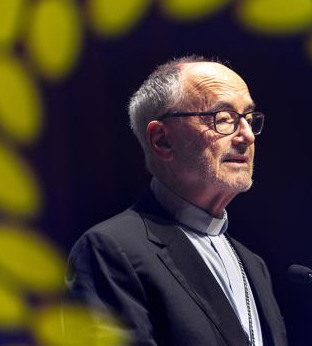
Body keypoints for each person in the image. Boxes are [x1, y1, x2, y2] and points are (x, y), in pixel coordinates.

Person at [64, 56, 288, 346]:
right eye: (223, 119)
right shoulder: (111, 250)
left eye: (248, 118)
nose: (246, 135)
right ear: (162, 140)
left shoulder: (253, 264)